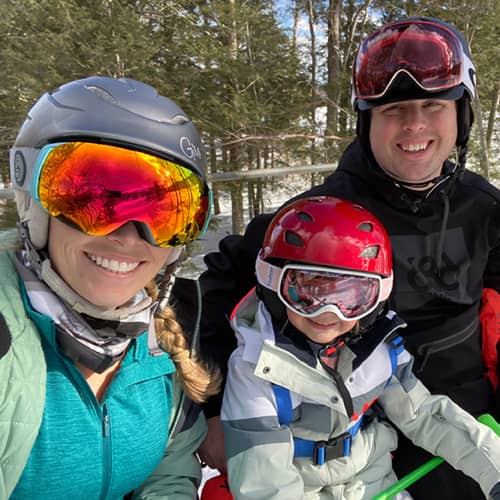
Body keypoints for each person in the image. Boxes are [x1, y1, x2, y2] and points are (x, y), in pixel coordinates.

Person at [197, 16, 500, 499]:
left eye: (432, 105)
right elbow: (215, 288)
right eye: (395, 110)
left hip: (458, 424)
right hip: (358, 436)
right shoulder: (324, 218)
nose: (415, 125)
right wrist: (212, 409)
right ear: (368, 122)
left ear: (460, 115)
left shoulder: (484, 209)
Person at [0, 76, 220, 499]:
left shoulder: (161, 345)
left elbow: (165, 473)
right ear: (35, 202)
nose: (130, 237)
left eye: (164, 213)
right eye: (94, 200)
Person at [220, 195, 500, 499]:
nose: (329, 313)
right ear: (273, 284)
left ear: (377, 297)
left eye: (351, 297)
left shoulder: (376, 350)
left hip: (374, 484)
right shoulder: (255, 369)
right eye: (307, 292)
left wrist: (494, 469)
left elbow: (425, 416)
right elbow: (265, 483)